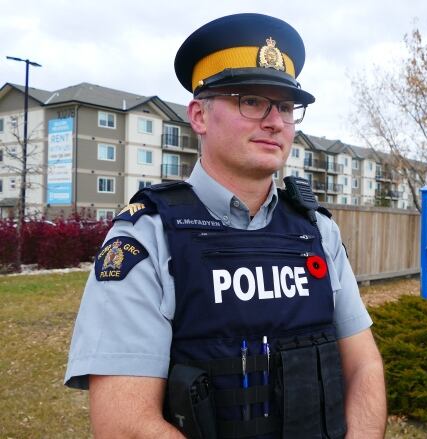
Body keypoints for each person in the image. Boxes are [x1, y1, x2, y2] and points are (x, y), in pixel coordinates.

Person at [65, 13, 386, 439]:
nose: (275, 121)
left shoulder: (318, 231)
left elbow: (364, 366)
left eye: (287, 107)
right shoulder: (148, 238)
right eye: (252, 101)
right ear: (198, 116)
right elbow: (125, 425)